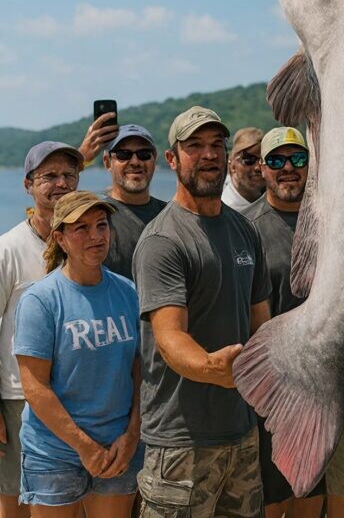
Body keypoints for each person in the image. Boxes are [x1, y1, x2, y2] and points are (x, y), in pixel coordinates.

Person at [132, 106, 270, 517]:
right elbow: (170, 338)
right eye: (194, 146)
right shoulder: (162, 240)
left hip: (242, 434)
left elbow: (261, 321)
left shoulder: (244, 230)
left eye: (216, 145)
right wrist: (214, 368)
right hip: (180, 442)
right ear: (172, 159)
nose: (208, 154)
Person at [14, 191, 142, 517]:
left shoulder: (128, 292)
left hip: (118, 447)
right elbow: (35, 388)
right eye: (81, 228)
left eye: (102, 225)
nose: (96, 236)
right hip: (54, 451)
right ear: (61, 237)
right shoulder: (40, 300)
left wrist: (131, 436)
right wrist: (84, 447)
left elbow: (140, 372)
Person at [242, 127, 325, 516]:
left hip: (322, 389)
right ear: (262, 168)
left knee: (311, 497)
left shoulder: (332, 218)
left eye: (298, 159)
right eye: (276, 160)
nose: (288, 168)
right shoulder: (245, 229)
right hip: (270, 393)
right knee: (272, 502)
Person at [0, 141, 83, 518]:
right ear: (28, 185)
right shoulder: (9, 249)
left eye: (69, 175)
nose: (61, 183)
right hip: (19, 398)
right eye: (49, 176)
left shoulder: (87, 242)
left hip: (79, 398)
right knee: (16, 503)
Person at [102, 125, 167, 280]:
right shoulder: (97, 218)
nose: (135, 162)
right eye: (124, 154)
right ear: (107, 162)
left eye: (144, 154)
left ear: (154, 159)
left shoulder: (171, 215)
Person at [222, 126, 266, 212]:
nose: (258, 167)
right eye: (249, 160)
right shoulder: (225, 209)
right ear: (233, 166)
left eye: (263, 159)